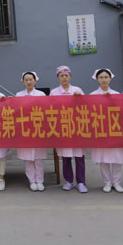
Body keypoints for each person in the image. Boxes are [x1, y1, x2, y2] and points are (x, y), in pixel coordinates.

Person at [88, 68, 123, 193]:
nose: (104, 80)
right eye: (101, 77)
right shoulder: (92, 95)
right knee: (103, 159)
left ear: (110, 79)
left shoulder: (117, 94)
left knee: (117, 158)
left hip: (115, 130)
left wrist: (112, 100)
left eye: (106, 77)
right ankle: (107, 183)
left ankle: (117, 182)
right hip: (101, 131)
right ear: (97, 79)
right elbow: (89, 113)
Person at [50, 65, 88, 193]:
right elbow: (50, 109)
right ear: (58, 78)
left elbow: (85, 107)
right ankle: (69, 181)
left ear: (70, 76)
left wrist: (80, 98)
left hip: (77, 128)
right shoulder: (54, 92)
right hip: (63, 128)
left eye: (66, 75)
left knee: (79, 157)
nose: (64, 78)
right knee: (65, 157)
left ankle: (81, 182)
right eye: (62, 76)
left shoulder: (77, 90)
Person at [16, 71, 47, 192]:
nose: (28, 82)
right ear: (23, 82)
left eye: (31, 79)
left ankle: (40, 180)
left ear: (35, 81)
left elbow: (45, 110)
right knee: (28, 158)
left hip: (38, 129)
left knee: (38, 158)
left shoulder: (41, 94)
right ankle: (32, 181)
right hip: (25, 129)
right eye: (26, 80)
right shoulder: (19, 95)